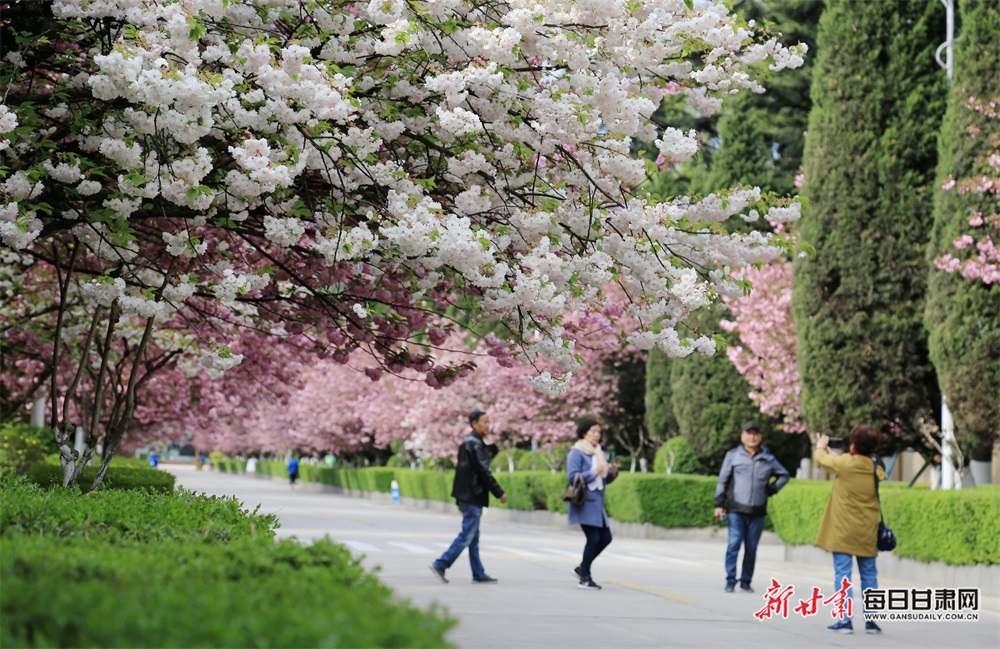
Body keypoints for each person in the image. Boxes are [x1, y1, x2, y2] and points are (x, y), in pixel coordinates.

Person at [814, 425, 886, 635]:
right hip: (867, 530)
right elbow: (849, 462)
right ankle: (872, 621)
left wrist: (821, 447)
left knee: (843, 575)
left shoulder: (845, 463)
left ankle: (844, 620)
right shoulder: (874, 466)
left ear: (853, 443)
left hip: (844, 530)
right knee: (870, 575)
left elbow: (823, 460)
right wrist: (834, 454)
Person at [429, 410, 508, 584]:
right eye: (484, 422)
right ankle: (441, 564)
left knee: (473, 536)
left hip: (468, 496)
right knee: (467, 535)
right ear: (474, 424)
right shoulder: (475, 444)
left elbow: (461, 473)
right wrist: (499, 492)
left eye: (488, 422)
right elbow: (483, 472)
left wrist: (459, 498)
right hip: (473, 496)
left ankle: (478, 573)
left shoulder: (468, 443)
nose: (488, 425)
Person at [713, 420, 790, 593]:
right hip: (735, 510)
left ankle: (746, 581)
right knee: (734, 544)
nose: (752, 437)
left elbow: (784, 475)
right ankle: (730, 580)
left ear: (760, 437)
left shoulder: (768, 458)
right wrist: (719, 504)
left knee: (751, 548)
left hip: (757, 511)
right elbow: (722, 480)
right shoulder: (733, 455)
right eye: (748, 433)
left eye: (755, 433)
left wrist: (770, 490)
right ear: (742, 436)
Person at [566, 417, 619, 591]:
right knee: (594, 538)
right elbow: (573, 477)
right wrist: (593, 472)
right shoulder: (577, 452)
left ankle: (583, 567)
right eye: (593, 432)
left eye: (599, 432)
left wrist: (612, 472)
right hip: (584, 502)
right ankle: (584, 577)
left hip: (597, 503)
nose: (597, 435)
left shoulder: (600, 453)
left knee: (606, 538)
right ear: (584, 433)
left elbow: (604, 480)